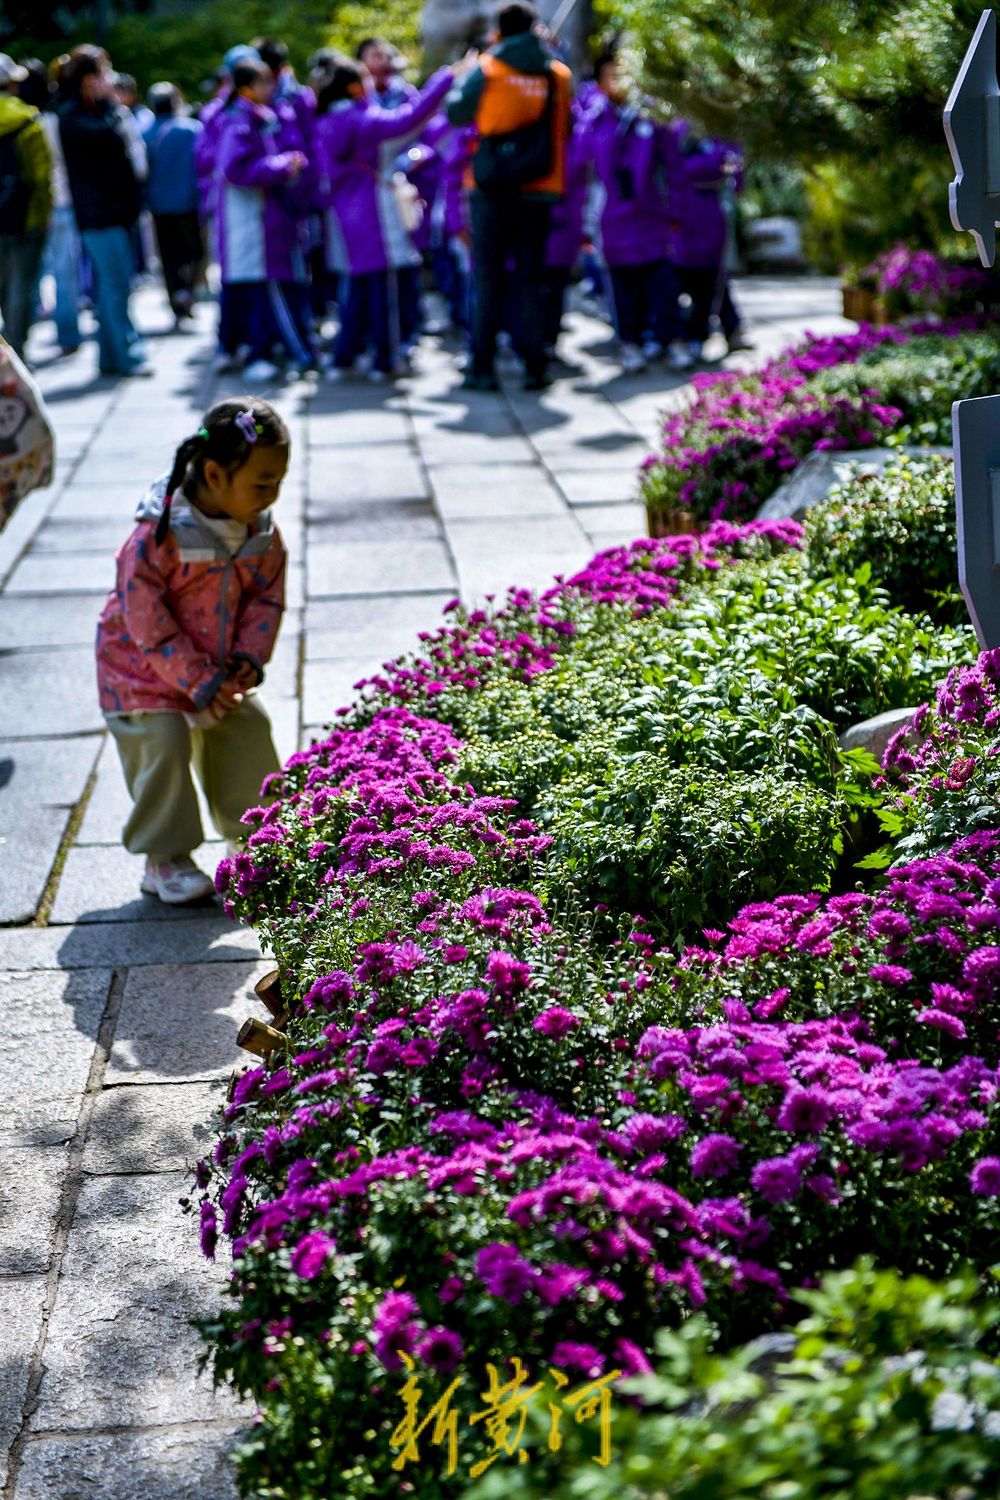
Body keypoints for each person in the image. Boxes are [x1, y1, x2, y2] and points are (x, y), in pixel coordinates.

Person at [95, 396, 288, 905]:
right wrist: (199, 679)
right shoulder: (157, 535)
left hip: (217, 668)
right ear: (215, 475)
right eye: (262, 483)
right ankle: (165, 856)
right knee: (163, 741)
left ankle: (254, 838)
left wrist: (247, 660)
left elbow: (266, 598)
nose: (272, 496)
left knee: (248, 727)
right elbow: (148, 626)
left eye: (277, 483)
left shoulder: (260, 534)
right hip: (140, 674)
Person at [445, 0, 573, 391]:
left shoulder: (487, 68)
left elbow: (455, 114)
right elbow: (567, 126)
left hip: (491, 188)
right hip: (540, 187)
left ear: (498, 31)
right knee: (531, 279)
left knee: (487, 278)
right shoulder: (558, 74)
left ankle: (482, 367)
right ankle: (535, 366)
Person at [314, 56, 458, 382]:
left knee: (358, 288)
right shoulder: (363, 120)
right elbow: (410, 119)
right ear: (354, 87)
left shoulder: (328, 121)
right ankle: (385, 360)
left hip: (346, 214)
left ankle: (345, 356)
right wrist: (446, 77)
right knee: (384, 291)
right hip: (376, 214)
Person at [578, 51, 689, 375]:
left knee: (663, 283)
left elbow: (673, 168)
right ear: (600, 84)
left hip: (651, 216)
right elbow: (582, 170)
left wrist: (676, 210)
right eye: (612, 76)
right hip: (612, 221)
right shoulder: (594, 121)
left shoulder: (652, 116)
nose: (620, 82)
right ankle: (630, 343)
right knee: (622, 287)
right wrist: (582, 225)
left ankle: (672, 340)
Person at [215, 58, 313, 380]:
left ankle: (257, 350)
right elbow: (234, 169)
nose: (270, 88)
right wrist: (281, 165)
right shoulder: (239, 121)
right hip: (252, 223)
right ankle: (265, 353)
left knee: (261, 290)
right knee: (265, 291)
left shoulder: (254, 117)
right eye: (264, 83)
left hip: (262, 221)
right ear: (247, 88)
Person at [58, 46, 149, 377]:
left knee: (112, 284)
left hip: (111, 213)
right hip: (100, 215)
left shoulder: (88, 113)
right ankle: (126, 354)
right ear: (88, 80)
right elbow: (109, 143)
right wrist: (112, 105)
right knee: (116, 284)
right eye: (104, 73)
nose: (109, 80)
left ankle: (110, 356)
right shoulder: (75, 116)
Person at [669, 118, 752, 358]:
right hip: (679, 219)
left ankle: (702, 334)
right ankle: (695, 333)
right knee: (682, 279)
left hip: (710, 219)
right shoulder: (678, 129)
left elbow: (732, 170)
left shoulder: (721, 136)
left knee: (710, 280)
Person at [0, 54, 52, 360]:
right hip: (25, 216)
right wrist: (44, 215)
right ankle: (15, 353)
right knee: (22, 285)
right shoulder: (29, 119)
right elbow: (42, 176)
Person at [143, 83, 205, 326]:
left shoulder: (145, 133)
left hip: (159, 205)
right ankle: (188, 292)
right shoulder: (192, 129)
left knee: (169, 256)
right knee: (194, 251)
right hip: (190, 202)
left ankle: (175, 301)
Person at [36, 56, 81, 355]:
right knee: (65, 272)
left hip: (40, 203)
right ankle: (68, 334)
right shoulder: (56, 119)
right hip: (62, 199)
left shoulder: (40, 119)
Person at [355, 38, 417, 109]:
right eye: (377, 55)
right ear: (361, 62)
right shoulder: (353, 95)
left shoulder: (404, 92)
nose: (384, 61)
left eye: (388, 57)